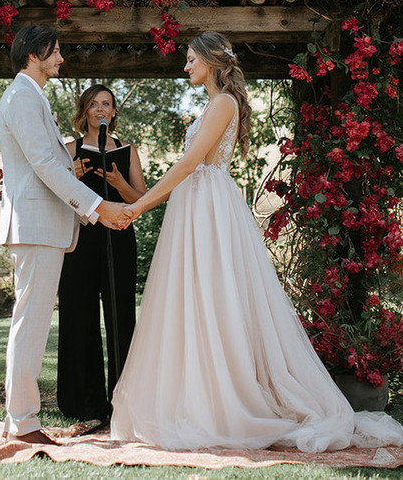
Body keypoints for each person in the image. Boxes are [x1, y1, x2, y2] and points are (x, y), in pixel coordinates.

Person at [111, 31, 403, 453]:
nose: (186, 66)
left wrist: (140, 208)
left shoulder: (223, 103)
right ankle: (197, 393)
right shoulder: (215, 104)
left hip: (208, 206)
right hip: (197, 205)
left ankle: (226, 399)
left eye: (191, 59)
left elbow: (191, 163)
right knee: (193, 298)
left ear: (211, 61)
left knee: (215, 297)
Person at [0, 26, 130, 445]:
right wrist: (97, 206)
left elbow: (47, 165)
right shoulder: (21, 96)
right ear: (34, 54)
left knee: (31, 324)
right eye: (55, 53)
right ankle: (22, 423)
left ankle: (18, 419)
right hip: (35, 229)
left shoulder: (32, 96)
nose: (61, 59)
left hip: (45, 228)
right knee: (30, 324)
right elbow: (44, 166)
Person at [57, 84, 146, 425]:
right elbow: (57, 197)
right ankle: (84, 403)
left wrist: (120, 183)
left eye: (106, 103)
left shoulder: (127, 150)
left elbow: (140, 199)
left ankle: (122, 402)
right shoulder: (68, 149)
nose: (100, 108)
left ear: (113, 112)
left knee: (121, 317)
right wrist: (73, 178)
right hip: (80, 239)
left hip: (119, 239)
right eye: (93, 103)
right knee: (79, 316)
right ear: (85, 110)